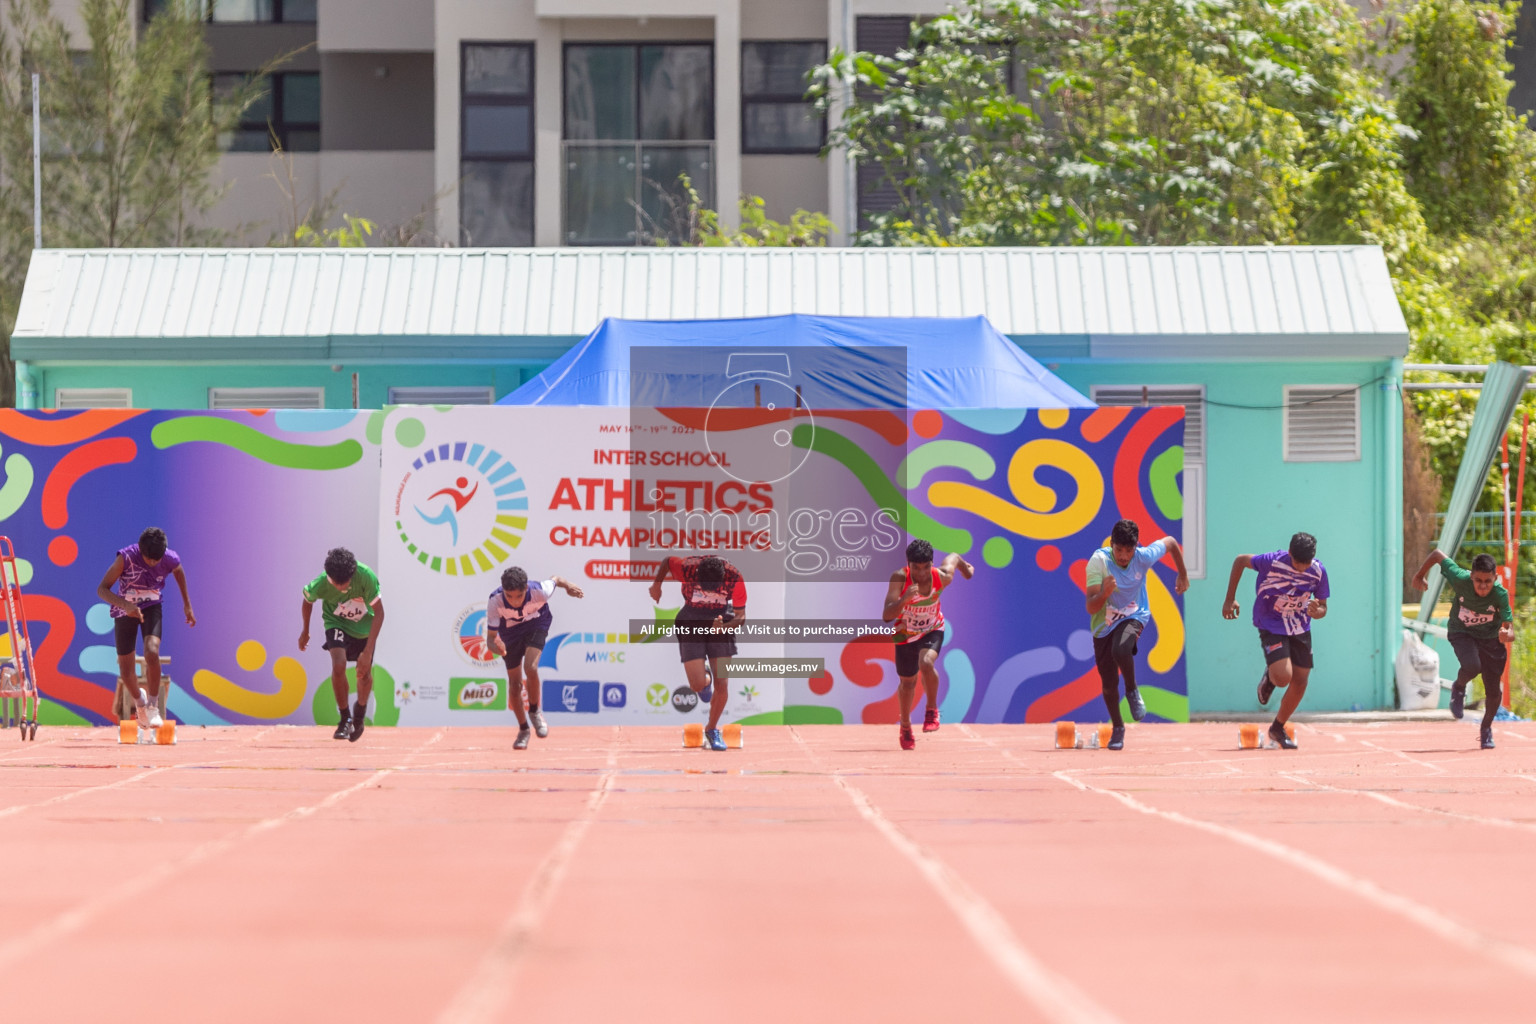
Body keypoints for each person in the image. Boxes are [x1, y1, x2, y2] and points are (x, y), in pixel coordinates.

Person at [1085, 520, 1190, 750]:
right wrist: (1104, 593)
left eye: (1128, 551)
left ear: (1136, 547)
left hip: (1135, 614)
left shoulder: (1143, 557)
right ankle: (1118, 727)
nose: (1123, 556)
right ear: (1111, 545)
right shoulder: (1098, 562)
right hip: (1103, 624)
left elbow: (1171, 543)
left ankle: (1132, 690)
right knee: (1109, 684)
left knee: (1121, 649)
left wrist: (1182, 574)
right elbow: (1091, 607)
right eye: (1119, 550)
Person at [1222, 532, 1329, 750]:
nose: (1301, 569)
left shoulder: (1318, 571)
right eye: (1298, 564)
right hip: (1271, 622)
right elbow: (1240, 560)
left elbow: (1323, 606)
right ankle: (1271, 678)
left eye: (1305, 565)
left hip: (1300, 626)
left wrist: (1317, 611)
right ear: (1290, 554)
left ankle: (1277, 727)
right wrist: (1230, 598)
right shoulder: (1271, 562)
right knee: (1282, 677)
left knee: (1300, 681)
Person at [1411, 549, 1512, 749]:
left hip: (1491, 639)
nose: (1483, 586)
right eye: (1478, 581)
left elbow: (1510, 629)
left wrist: (1507, 634)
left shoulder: (1500, 594)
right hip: (1462, 632)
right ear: (1471, 576)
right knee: (1472, 665)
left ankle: (1485, 728)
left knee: (1493, 692)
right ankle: (1458, 687)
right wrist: (1419, 576)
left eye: (1488, 582)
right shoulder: (1460, 578)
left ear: (1495, 578)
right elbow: (1437, 555)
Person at [96, 527, 195, 732]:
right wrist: (126, 606)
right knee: (126, 669)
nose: (152, 563)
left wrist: (187, 605)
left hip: (151, 606)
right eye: (148, 559)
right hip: (125, 609)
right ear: (140, 551)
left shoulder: (169, 557)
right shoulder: (126, 558)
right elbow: (102, 589)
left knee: (152, 651)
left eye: (156, 560)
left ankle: (152, 706)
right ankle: (140, 703)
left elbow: (179, 571)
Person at [881, 539, 973, 750]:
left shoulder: (941, 577)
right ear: (908, 564)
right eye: (915, 568)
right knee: (908, 684)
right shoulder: (899, 578)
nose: (921, 573)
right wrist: (904, 599)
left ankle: (931, 709)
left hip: (932, 629)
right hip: (905, 634)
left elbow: (954, 557)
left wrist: (965, 568)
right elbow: (887, 615)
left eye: (925, 568)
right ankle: (905, 726)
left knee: (926, 663)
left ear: (931, 564)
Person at [650, 554, 746, 751]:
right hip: (691, 619)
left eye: (713, 588)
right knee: (697, 684)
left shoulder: (735, 578)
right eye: (703, 586)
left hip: (720, 620)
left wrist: (725, 627)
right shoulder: (687, 567)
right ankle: (706, 678)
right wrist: (656, 585)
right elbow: (667, 560)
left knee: (723, 683)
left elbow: (741, 617)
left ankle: (711, 729)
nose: (707, 591)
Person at [485, 566, 585, 750]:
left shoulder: (539, 591)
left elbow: (556, 577)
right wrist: (496, 648)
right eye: (509, 596)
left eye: (519, 596)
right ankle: (523, 730)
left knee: (530, 668)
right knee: (514, 685)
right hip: (510, 634)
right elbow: (490, 640)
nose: (514, 601)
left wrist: (569, 586)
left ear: (526, 590)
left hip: (537, 624)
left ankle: (534, 711)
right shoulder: (495, 601)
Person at [299, 547, 384, 742]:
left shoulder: (366, 576)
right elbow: (307, 601)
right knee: (338, 665)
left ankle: (359, 714)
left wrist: (368, 652)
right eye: (335, 583)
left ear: (352, 574)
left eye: (344, 583)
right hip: (336, 622)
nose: (340, 587)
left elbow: (379, 613)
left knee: (364, 674)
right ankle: (345, 718)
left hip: (364, 628)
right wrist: (305, 631)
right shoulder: (321, 582)